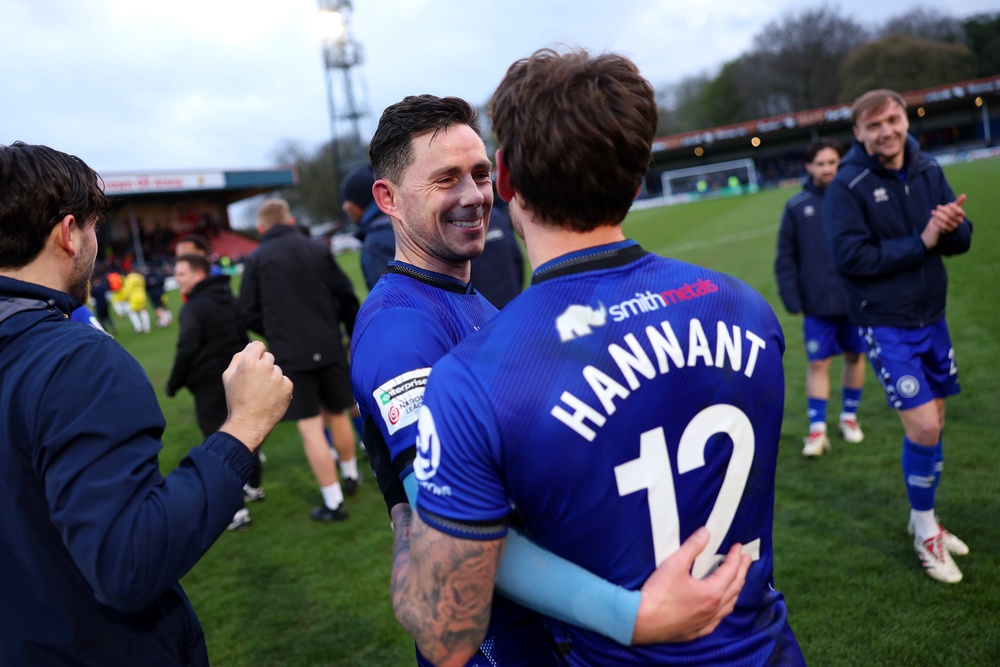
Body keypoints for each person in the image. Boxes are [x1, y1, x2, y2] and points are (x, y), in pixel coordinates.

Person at [392, 50, 804, 666]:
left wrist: (411, 533)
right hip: (766, 649)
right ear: (638, 178)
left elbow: (447, 638)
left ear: (503, 178)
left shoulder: (478, 377)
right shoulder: (744, 307)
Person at [0, 141, 292, 665]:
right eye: (95, 227)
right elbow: (126, 563)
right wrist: (243, 428)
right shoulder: (73, 359)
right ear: (69, 234)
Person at [824, 89, 973, 584]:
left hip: (932, 314)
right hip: (886, 322)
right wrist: (924, 241)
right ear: (858, 134)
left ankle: (922, 514)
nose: (886, 131)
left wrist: (951, 227)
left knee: (938, 419)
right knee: (924, 428)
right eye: (874, 126)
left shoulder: (927, 167)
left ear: (905, 119)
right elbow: (851, 260)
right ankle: (925, 531)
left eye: (892, 120)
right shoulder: (849, 184)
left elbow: (961, 238)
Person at [238, 197, 362, 521]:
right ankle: (350, 475)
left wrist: (274, 331)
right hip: (330, 343)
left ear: (261, 227)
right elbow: (346, 296)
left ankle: (334, 502)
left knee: (310, 427)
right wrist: (349, 332)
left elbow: (247, 311)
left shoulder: (257, 259)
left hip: (291, 350)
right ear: (290, 220)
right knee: (338, 414)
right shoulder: (317, 249)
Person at [775, 138, 867, 457]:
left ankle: (849, 418)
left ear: (840, 164)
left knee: (856, 357)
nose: (827, 168)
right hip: (816, 303)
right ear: (809, 167)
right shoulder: (797, 206)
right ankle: (817, 431)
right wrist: (791, 296)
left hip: (856, 299)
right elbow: (785, 257)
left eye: (833, 162)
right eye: (821, 163)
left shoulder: (856, 199)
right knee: (818, 363)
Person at [166, 253, 263, 527]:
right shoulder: (227, 297)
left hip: (210, 386)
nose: (177, 279)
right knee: (245, 435)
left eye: (182, 273)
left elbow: (186, 349)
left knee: (220, 446)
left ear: (199, 274)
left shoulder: (193, 308)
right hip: (237, 378)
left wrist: (174, 383)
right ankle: (254, 487)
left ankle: (236, 511)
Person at [342, 164, 396, 291]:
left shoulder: (376, 243)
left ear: (361, 200)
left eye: (348, 200)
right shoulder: (397, 223)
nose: (345, 207)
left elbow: (391, 301)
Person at [469, 194, 524, 309]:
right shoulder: (498, 216)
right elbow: (518, 258)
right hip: (512, 306)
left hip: (482, 314)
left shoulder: (457, 231)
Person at [120, 267, 151, 333]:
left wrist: (125, 297)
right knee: (143, 310)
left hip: (133, 297)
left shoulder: (129, 278)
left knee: (132, 312)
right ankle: (146, 327)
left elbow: (127, 289)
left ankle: (138, 327)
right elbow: (144, 285)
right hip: (142, 295)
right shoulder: (140, 276)